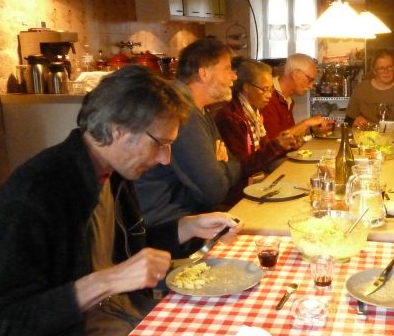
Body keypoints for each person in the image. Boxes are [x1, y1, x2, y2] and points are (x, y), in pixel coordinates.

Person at [0, 65, 241, 336]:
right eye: (160, 143)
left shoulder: (111, 173)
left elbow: (124, 251)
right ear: (118, 130)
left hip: (115, 316)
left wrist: (186, 227)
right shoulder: (35, 193)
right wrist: (107, 281)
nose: (165, 158)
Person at [136, 38, 243, 224]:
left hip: (187, 218)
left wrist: (220, 165)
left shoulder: (198, 107)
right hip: (167, 228)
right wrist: (221, 165)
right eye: (227, 68)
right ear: (204, 73)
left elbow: (235, 162)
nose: (234, 76)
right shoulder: (183, 112)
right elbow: (214, 190)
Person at [215, 58, 300, 182]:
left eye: (271, 89)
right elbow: (241, 168)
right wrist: (277, 145)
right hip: (239, 191)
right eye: (264, 89)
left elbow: (264, 153)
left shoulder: (255, 113)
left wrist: (286, 145)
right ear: (247, 87)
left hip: (258, 177)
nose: (269, 95)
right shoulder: (231, 117)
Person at [259, 53, 331, 139]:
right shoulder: (268, 98)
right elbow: (274, 143)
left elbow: (288, 133)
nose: (311, 86)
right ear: (296, 74)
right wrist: (306, 123)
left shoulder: (287, 99)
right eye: (310, 79)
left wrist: (310, 129)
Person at [345, 49, 394, 128]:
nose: (386, 71)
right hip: (368, 137)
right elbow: (348, 121)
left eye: (390, 67)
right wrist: (355, 120)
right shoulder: (361, 90)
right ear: (374, 71)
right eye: (381, 68)